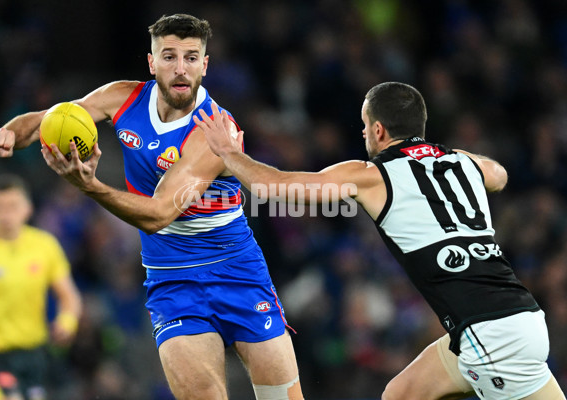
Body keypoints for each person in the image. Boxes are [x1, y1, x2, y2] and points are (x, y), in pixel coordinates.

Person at [0, 14, 304, 400]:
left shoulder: (215, 131)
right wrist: (9, 133)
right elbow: (48, 120)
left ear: (205, 64)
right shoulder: (123, 97)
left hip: (237, 271)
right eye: (169, 56)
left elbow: (158, 214)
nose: (180, 68)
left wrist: (90, 186)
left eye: (190, 57)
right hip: (172, 278)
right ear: (152, 63)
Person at [193, 82, 566, 400]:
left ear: (379, 131)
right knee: (400, 394)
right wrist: (459, 157)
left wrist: (228, 152)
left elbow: (274, 188)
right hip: (520, 320)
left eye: (364, 126)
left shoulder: (372, 174)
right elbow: (498, 174)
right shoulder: (463, 163)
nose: (363, 133)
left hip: (488, 337)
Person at [0, 174, 82, 400]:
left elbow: (69, 296)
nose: (6, 213)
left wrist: (67, 321)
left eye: (12, 206)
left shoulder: (44, 246)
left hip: (34, 353)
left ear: (28, 208)